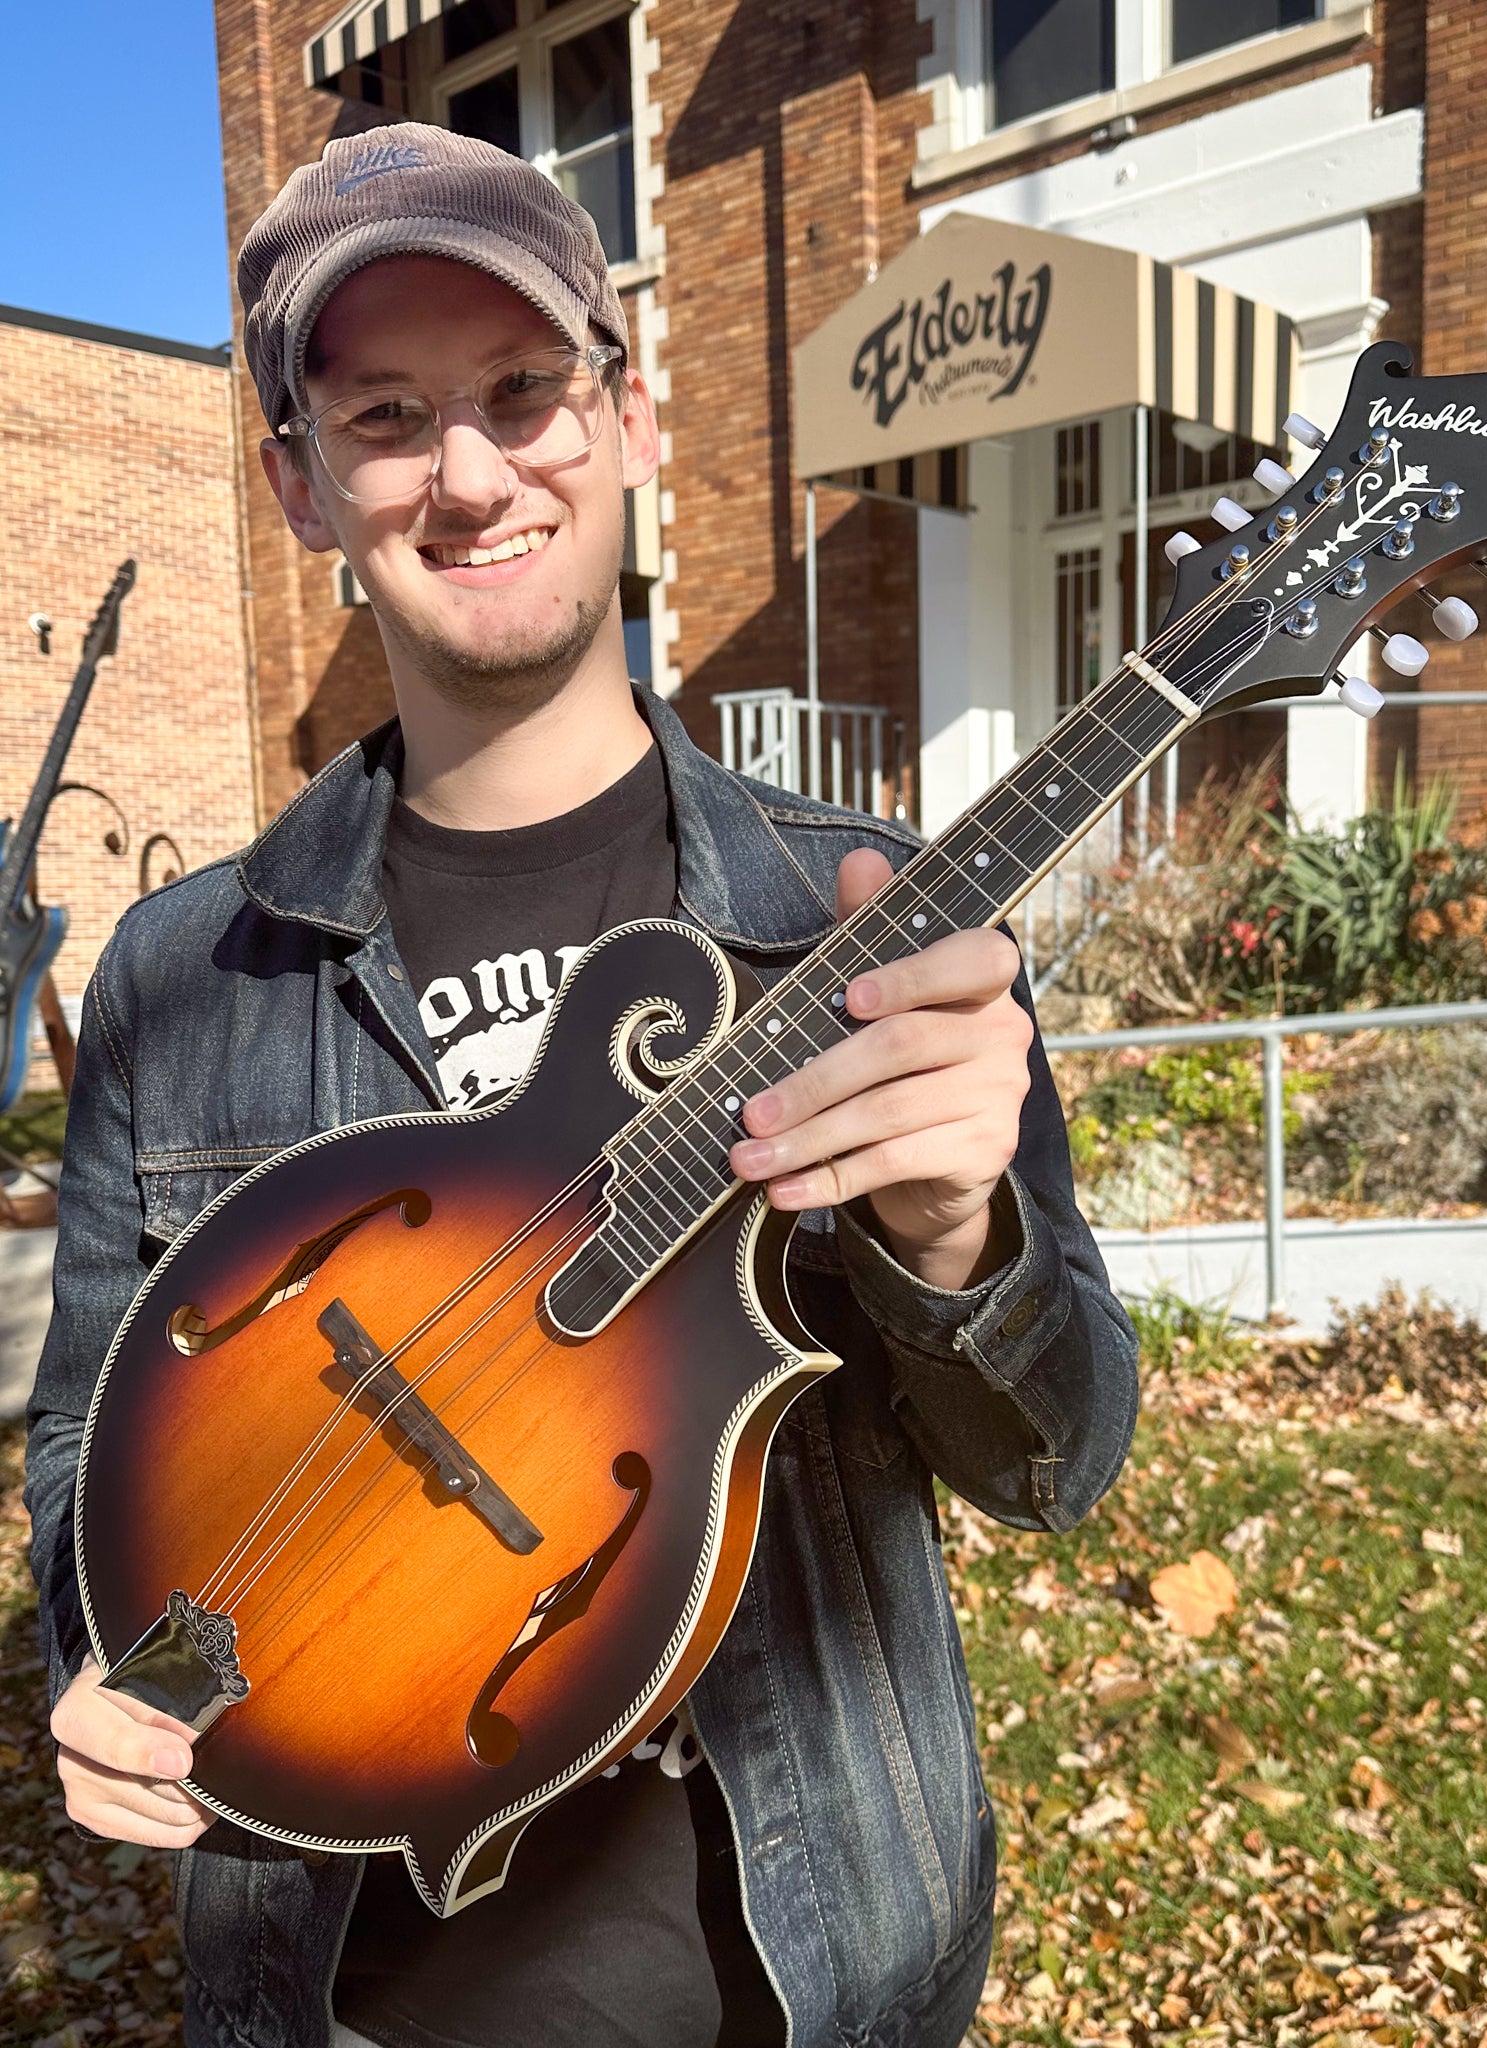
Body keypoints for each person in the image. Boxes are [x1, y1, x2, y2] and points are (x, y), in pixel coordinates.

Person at [25, 123, 1138, 2048]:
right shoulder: (186, 971)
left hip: (809, 1971)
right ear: (300, 485)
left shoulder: (864, 922)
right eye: (385, 417)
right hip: (342, 1985)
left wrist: (958, 1238)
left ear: (631, 417)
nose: (469, 476)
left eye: (523, 391)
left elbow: (1056, 1463)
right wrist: (99, 1652)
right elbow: (84, 1447)